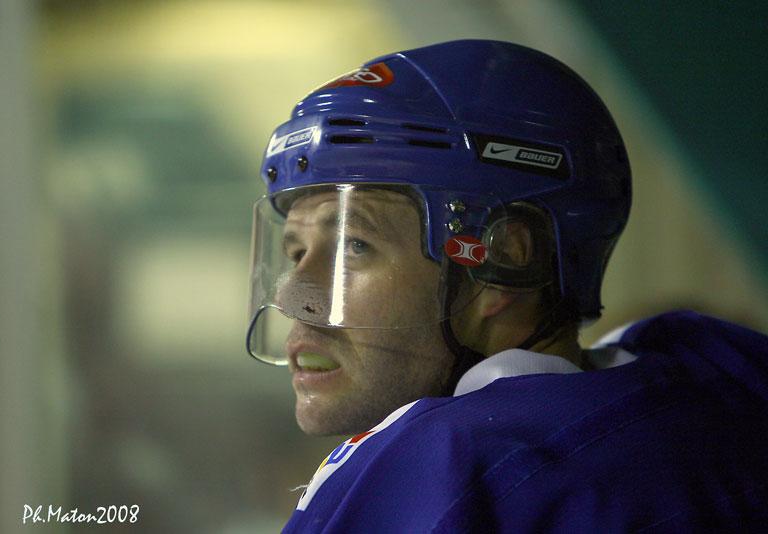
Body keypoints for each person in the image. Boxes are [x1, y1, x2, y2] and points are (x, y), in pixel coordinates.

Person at [245, 40, 768, 532]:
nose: (291, 296)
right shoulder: (718, 382)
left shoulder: (443, 471)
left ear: (504, 260)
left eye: (354, 246)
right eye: (295, 252)